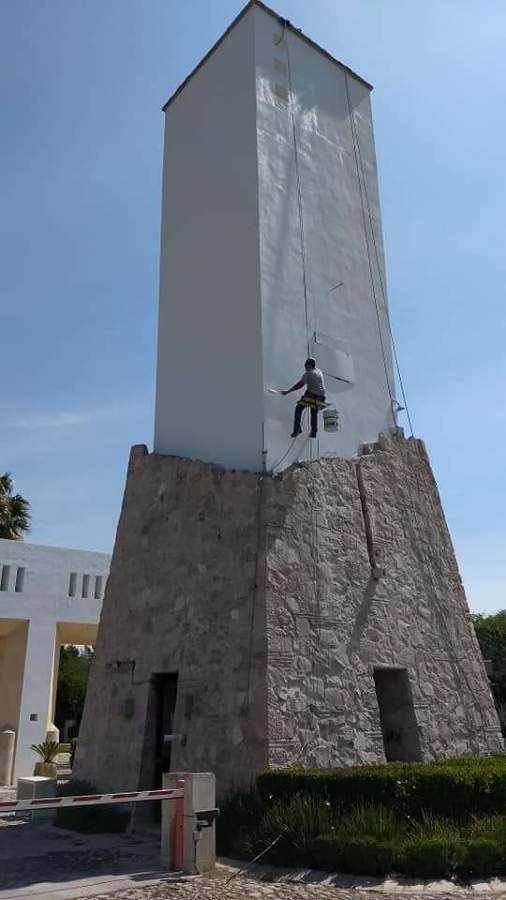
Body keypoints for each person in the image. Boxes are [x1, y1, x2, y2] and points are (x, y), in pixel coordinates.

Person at [282, 358, 326, 438]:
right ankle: (313, 433)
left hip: (313, 396)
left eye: (306, 365)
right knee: (313, 413)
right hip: (321, 398)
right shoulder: (319, 371)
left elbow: (299, 385)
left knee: (298, 408)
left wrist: (288, 391)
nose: (305, 367)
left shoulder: (308, 373)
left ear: (309, 365)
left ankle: (297, 429)